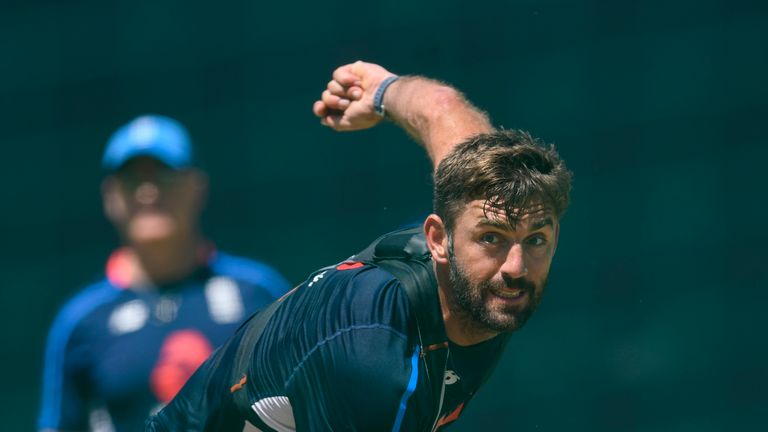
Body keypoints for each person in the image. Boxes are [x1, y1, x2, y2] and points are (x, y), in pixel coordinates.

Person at [146, 61, 573, 431]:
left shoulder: (485, 199)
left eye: (536, 239)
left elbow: (440, 108)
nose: (515, 267)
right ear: (439, 240)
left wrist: (383, 90)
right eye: (491, 240)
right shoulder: (373, 363)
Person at [38, 115, 292, 432]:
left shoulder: (257, 292)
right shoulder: (82, 320)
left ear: (197, 187)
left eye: (164, 176)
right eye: (132, 180)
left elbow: (303, 396)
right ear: (110, 196)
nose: (148, 191)